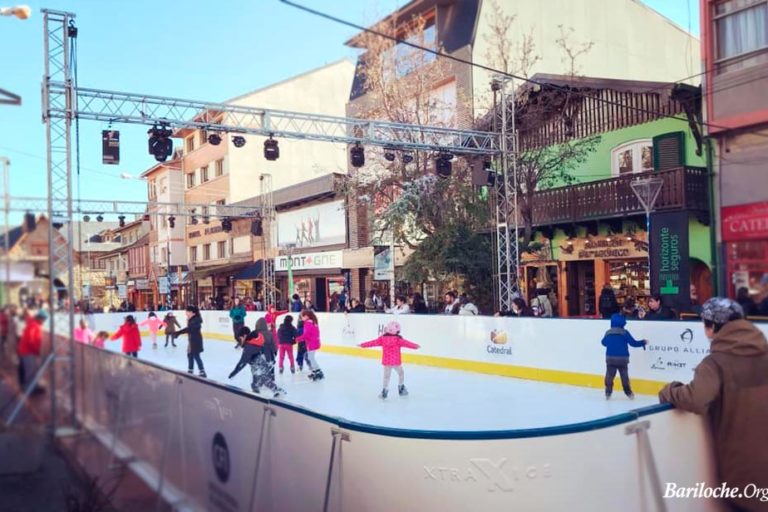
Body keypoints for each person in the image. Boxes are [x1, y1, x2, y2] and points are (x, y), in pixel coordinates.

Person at [659, 298, 768, 511]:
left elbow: (697, 398)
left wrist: (669, 391)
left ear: (711, 328)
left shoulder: (715, 363)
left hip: (745, 471)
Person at [358, 320, 420, 399]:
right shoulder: (398, 340)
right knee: (401, 373)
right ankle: (401, 388)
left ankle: (385, 391)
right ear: (397, 331)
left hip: (387, 362)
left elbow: (372, 343)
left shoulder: (382, 339)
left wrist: (362, 345)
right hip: (396, 362)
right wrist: (415, 346)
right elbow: (408, 343)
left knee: (386, 377)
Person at [228, 326, 285, 398]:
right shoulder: (255, 340)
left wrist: (233, 373)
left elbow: (243, 362)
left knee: (263, 380)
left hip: (258, 364)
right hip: (260, 363)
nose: (239, 341)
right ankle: (259, 396)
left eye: (240, 339)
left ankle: (279, 392)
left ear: (244, 336)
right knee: (256, 383)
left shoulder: (249, 346)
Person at [600, 313, 647, 399]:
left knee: (609, 376)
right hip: (623, 359)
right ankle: (628, 393)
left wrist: (611, 343)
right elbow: (633, 343)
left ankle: (608, 392)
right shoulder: (625, 333)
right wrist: (643, 342)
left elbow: (603, 342)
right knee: (624, 377)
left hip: (610, 358)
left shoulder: (608, 332)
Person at [18, 310, 47, 392]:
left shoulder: (32, 323)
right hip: (28, 351)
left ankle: (33, 386)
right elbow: (31, 340)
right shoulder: (34, 325)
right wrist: (36, 351)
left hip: (26, 350)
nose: (43, 322)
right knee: (29, 371)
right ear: (40, 318)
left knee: (32, 370)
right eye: (43, 319)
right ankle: (29, 388)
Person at [174, 305, 206, 378]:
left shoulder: (196, 320)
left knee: (196, 356)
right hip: (191, 341)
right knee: (190, 355)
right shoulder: (192, 319)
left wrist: (179, 332)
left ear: (192, 312)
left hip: (196, 341)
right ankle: (190, 370)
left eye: (187, 311)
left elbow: (189, 329)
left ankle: (202, 371)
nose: (186, 313)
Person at [296, 309, 323, 381]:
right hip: (314, 342)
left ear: (306, 316)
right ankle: (315, 371)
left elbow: (306, 335)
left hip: (312, 343)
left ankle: (318, 371)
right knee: (310, 358)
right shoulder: (313, 322)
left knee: (311, 358)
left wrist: (297, 339)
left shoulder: (308, 323)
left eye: (302, 316)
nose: (301, 318)